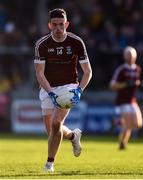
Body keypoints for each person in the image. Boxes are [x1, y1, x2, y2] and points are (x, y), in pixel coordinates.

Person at [34, 8, 92, 172]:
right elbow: (39, 73)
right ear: (49, 25)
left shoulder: (76, 42)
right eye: (55, 25)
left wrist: (79, 90)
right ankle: (73, 136)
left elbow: (88, 71)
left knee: (56, 123)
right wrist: (50, 92)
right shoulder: (42, 44)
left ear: (66, 24)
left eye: (61, 25)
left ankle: (49, 164)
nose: (58, 28)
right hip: (48, 87)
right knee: (52, 131)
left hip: (69, 87)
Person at [110, 46, 143, 150]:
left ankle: (118, 122)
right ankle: (122, 144)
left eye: (132, 55)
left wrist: (138, 84)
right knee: (128, 123)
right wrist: (125, 84)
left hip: (132, 100)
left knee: (138, 124)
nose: (130, 57)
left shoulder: (138, 69)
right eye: (128, 55)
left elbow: (136, 83)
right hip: (123, 101)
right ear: (124, 56)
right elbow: (112, 85)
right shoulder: (122, 70)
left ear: (135, 56)